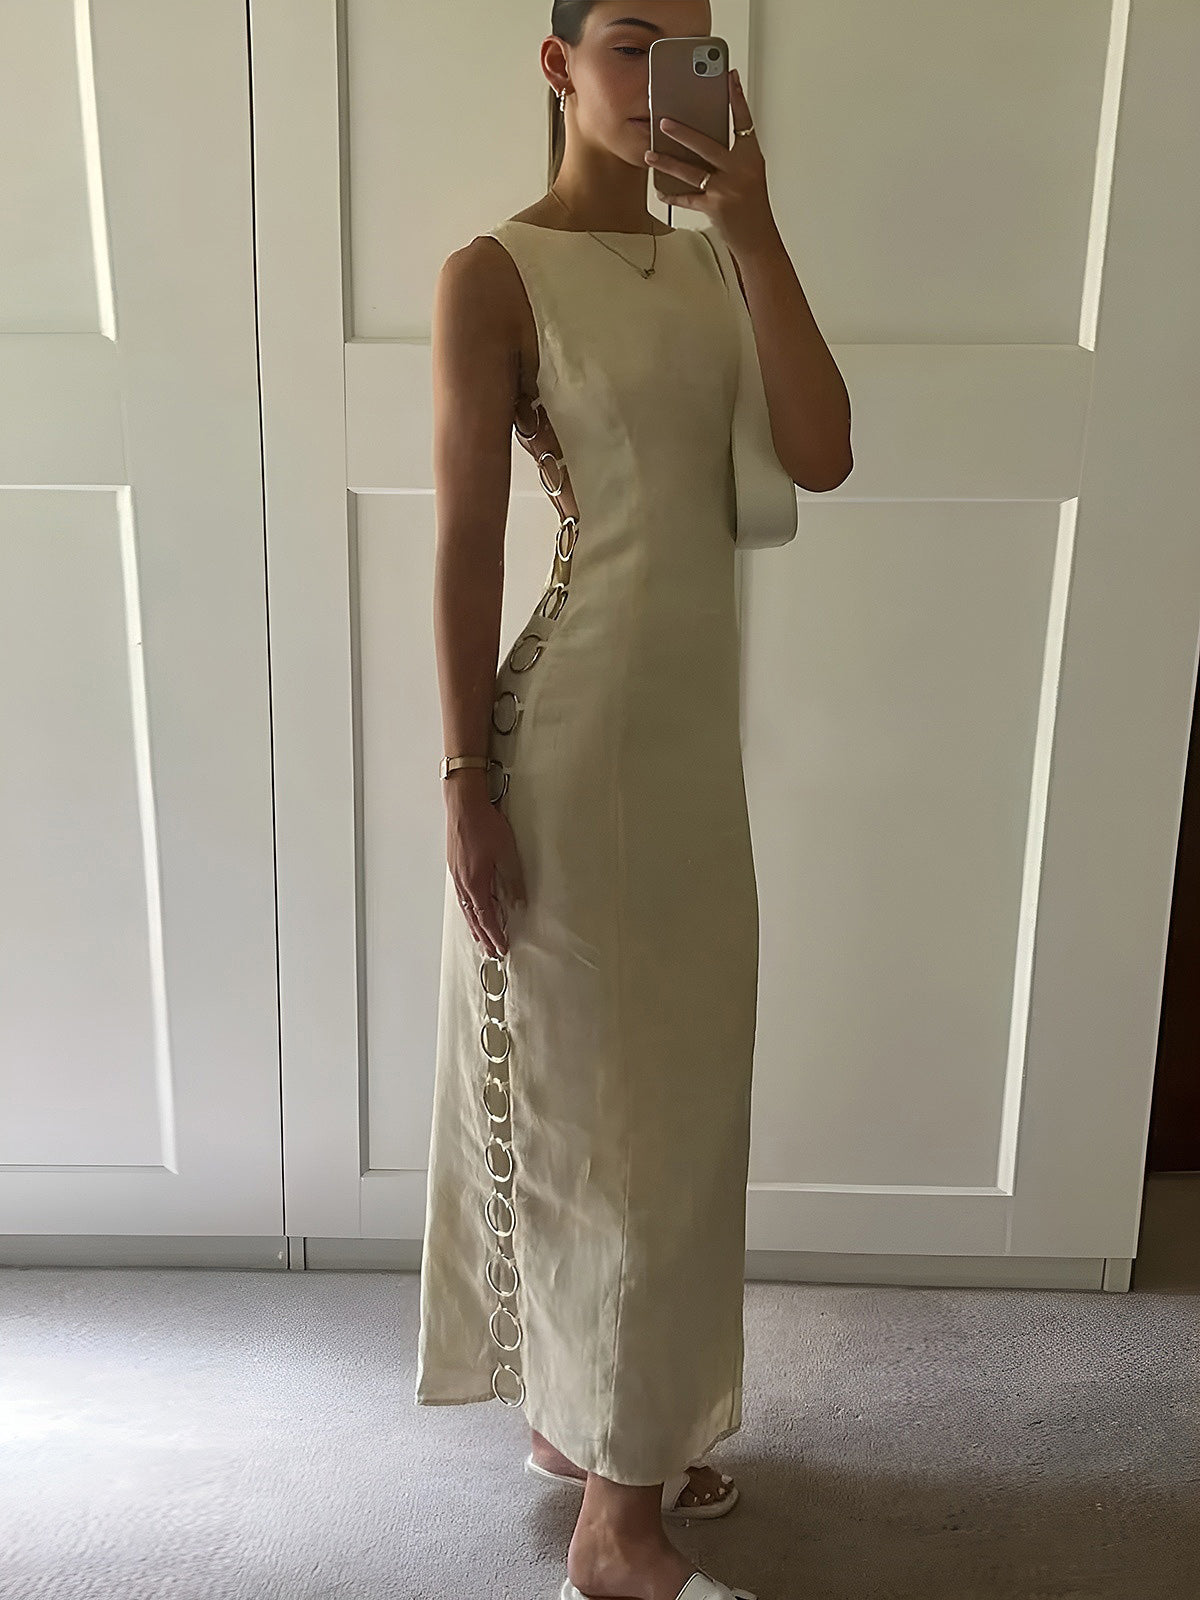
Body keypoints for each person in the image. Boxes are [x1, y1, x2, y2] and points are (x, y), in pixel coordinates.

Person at [415, 5, 852, 1598]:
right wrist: (464, 778)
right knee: (612, 1117)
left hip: (687, 747)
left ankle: (607, 1424)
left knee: (679, 1100)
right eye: (628, 40)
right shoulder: (496, 273)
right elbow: (466, 538)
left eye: (694, 45)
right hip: (576, 729)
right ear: (557, 67)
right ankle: (618, 1527)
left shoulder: (720, 258)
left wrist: (755, 226)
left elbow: (821, 452)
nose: (664, 69)